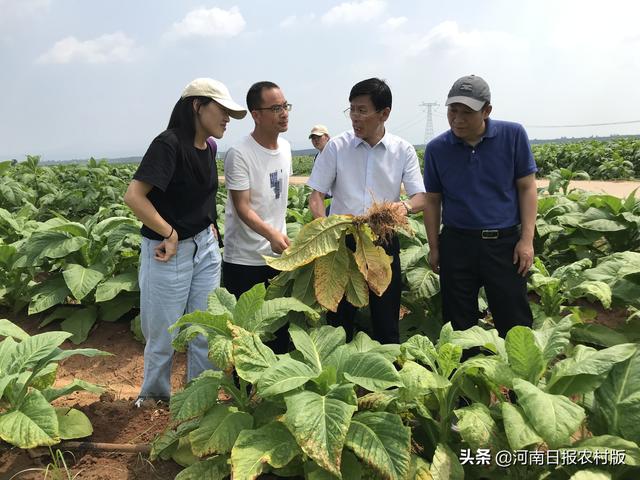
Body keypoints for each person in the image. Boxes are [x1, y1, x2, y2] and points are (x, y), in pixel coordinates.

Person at [124, 78, 246, 406]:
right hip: (169, 252)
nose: (226, 119)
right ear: (197, 105)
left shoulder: (210, 148)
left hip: (204, 249)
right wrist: (169, 232)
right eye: (222, 110)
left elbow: (199, 197)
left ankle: (199, 399)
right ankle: (153, 400)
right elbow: (134, 196)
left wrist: (210, 226)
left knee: (205, 329)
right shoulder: (169, 144)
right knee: (164, 333)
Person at [308, 77, 426, 344]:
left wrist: (403, 207)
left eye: (362, 110)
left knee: (386, 319)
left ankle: (387, 380)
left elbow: (421, 198)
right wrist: (324, 229)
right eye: (352, 109)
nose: (354, 117)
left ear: (384, 114)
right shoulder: (337, 147)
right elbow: (315, 195)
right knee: (338, 321)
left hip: (383, 242)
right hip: (342, 244)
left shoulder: (402, 150)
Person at [423, 74, 537, 338]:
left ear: (487, 111)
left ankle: (518, 375)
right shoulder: (437, 149)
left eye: (467, 112)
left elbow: (527, 187)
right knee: (458, 322)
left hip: (504, 243)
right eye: (453, 110)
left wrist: (527, 240)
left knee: (514, 319)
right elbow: (432, 200)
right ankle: (467, 375)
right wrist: (434, 247)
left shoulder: (513, 135)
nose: (458, 119)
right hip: (457, 243)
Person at [222, 81, 292, 352]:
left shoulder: (285, 148)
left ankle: (272, 393)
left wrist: (278, 237)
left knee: (279, 331)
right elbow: (243, 207)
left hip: (277, 258)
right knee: (245, 336)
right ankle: (244, 393)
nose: (284, 113)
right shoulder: (240, 154)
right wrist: (271, 234)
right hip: (244, 260)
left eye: (285, 106)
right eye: (276, 108)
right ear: (256, 114)